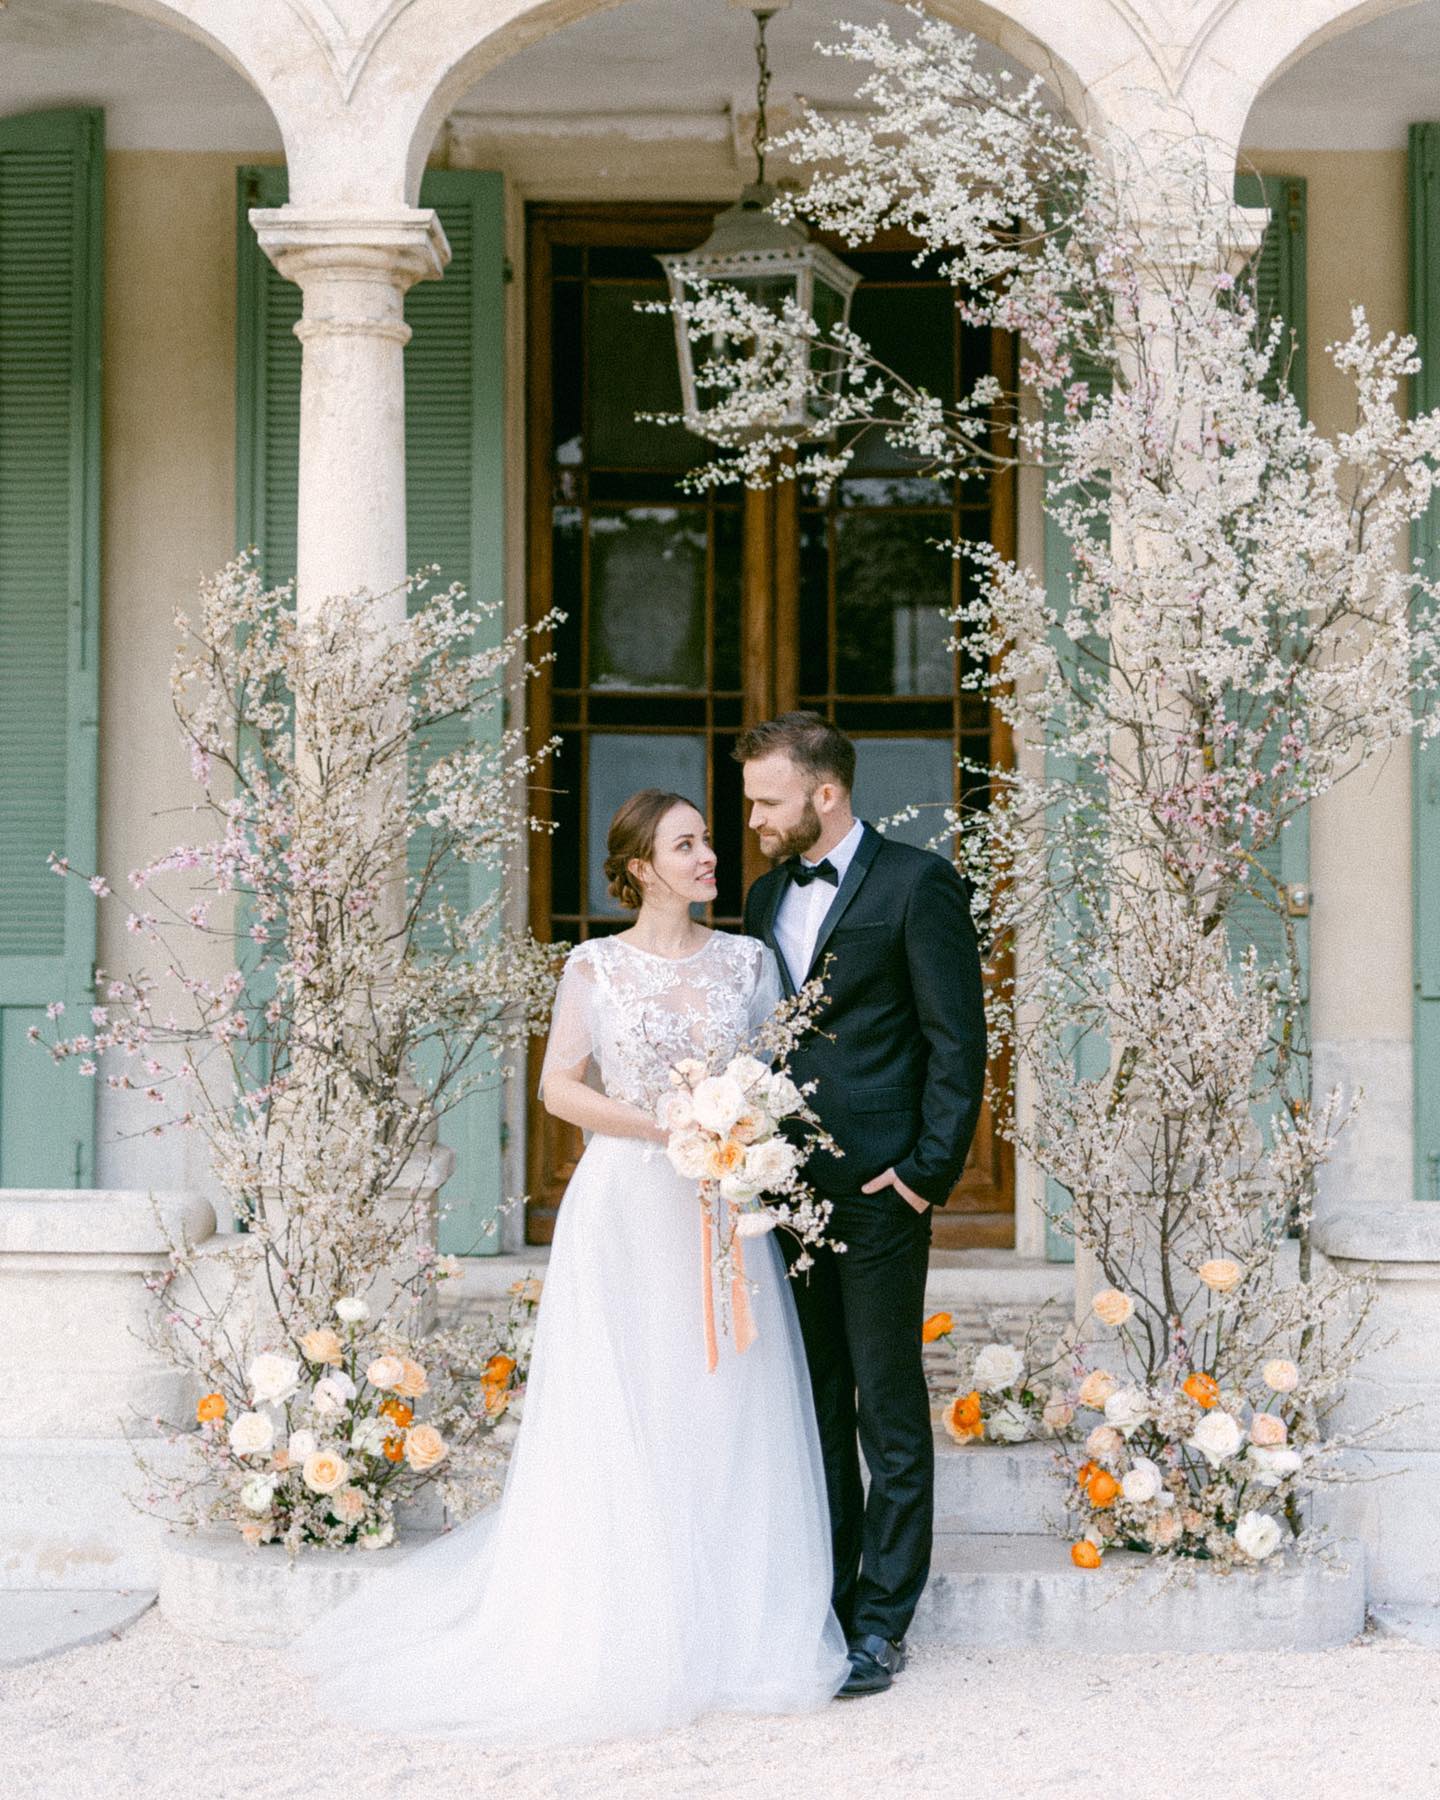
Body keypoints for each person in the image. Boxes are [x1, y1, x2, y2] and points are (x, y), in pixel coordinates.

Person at [286, 788, 848, 1744]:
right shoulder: (595, 966)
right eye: (687, 844)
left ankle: (732, 1622)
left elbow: (775, 1076)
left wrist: (736, 1133)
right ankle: (621, 1614)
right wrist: (671, 1126)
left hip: (719, 1209)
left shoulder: (748, 964)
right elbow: (558, 1088)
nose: (709, 855)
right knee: (627, 1395)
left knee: (723, 1394)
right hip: (628, 1203)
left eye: (709, 840)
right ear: (639, 868)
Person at [738, 712, 987, 1699]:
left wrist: (925, 1172)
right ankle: (831, 1604)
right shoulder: (762, 896)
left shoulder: (917, 885)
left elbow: (956, 1045)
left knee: (887, 1405)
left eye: (767, 799)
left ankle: (884, 1621)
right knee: (812, 1402)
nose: (753, 817)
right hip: (782, 1196)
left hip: (884, 1191)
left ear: (823, 795)